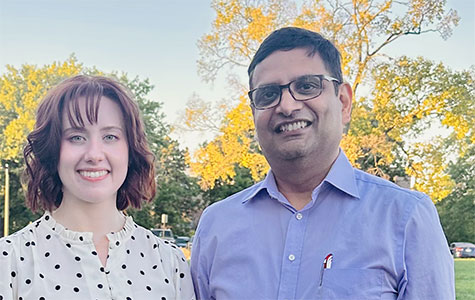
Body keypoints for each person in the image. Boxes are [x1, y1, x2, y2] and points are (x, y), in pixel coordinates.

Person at [191, 27, 454, 300]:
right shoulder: (216, 227)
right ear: (254, 113)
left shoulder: (405, 218)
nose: (287, 106)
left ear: (343, 101)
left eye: (306, 86)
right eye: (268, 94)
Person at [0, 75, 195, 300]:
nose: (94, 154)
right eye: (76, 137)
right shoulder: (8, 261)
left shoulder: (170, 262)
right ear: (52, 149)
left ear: (130, 150)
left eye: (110, 136)